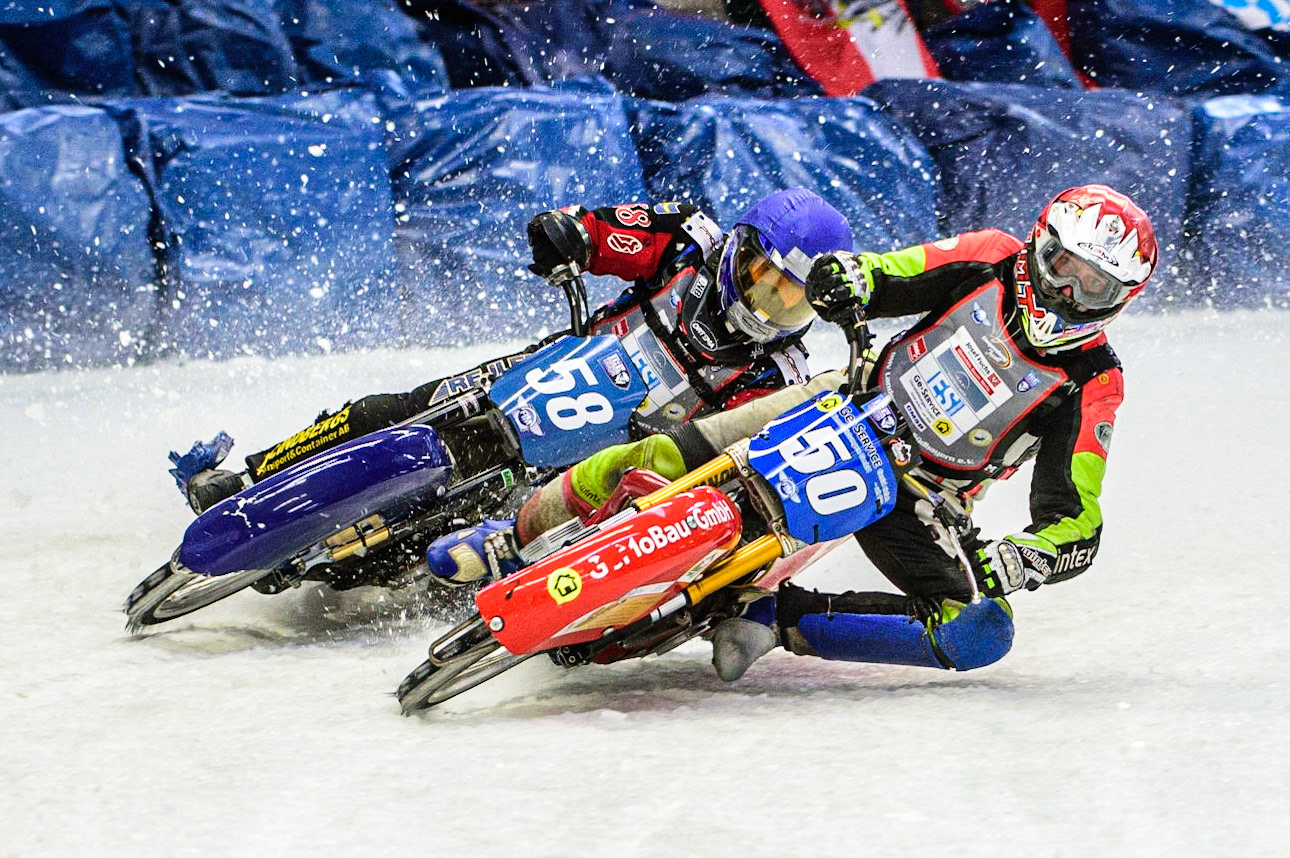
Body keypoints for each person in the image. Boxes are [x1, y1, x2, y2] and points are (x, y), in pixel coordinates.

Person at [429, 184, 1157, 682]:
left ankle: (780, 618)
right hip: (845, 396)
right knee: (667, 448)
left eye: (1094, 285)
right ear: (1040, 245)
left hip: (919, 493)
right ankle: (509, 533)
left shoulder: (1096, 381)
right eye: (1064, 265)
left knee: (977, 632)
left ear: (1119, 301)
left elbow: (1075, 520)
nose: (1068, 291)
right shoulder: (992, 254)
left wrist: (1020, 561)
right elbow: (894, 272)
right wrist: (850, 281)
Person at [173, 188, 854, 513]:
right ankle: (247, 476)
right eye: (765, 279)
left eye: (789, 300)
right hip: (547, 371)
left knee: (519, 527)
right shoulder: (688, 241)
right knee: (397, 408)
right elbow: (597, 230)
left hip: (602, 455)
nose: (768, 305)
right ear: (742, 250)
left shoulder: (780, 374)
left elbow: (723, 452)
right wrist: (565, 235)